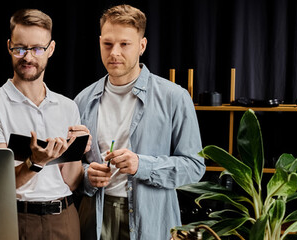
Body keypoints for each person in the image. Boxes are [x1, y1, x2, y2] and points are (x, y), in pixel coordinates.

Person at [74, 4, 206, 240]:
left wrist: (141, 165)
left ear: (142, 46)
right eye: (108, 44)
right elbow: (74, 166)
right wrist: (86, 176)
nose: (114, 52)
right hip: (94, 216)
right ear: (100, 42)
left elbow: (195, 167)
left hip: (152, 220)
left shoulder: (174, 97)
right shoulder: (83, 100)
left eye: (124, 44)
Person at [0, 8, 90, 240]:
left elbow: (72, 182)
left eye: (37, 49)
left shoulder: (68, 106)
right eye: (20, 48)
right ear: (9, 47)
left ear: (51, 49)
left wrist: (77, 150)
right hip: (16, 218)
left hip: (65, 217)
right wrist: (35, 163)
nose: (28, 57)